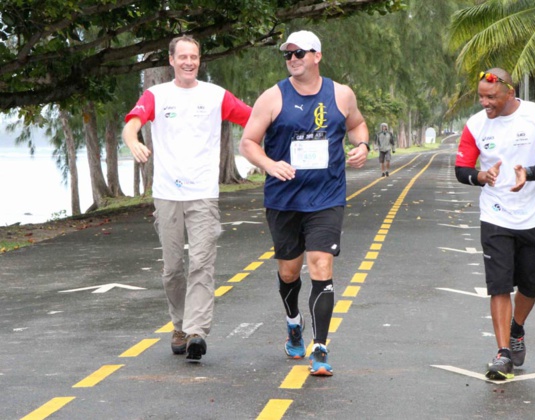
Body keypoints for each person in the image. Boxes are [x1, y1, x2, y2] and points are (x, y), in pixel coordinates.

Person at [239, 30, 369, 376]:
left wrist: (363, 146)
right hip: (284, 199)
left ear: (317, 56)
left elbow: (357, 125)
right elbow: (248, 142)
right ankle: (293, 323)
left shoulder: (341, 94)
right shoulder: (272, 97)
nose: (293, 59)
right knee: (289, 271)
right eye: (288, 54)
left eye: (300, 53)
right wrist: (269, 164)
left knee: (321, 266)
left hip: (326, 197)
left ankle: (321, 348)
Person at [122, 35, 252, 362]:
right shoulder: (156, 94)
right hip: (167, 194)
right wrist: (133, 140)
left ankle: (196, 332)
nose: (189, 62)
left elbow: (253, 117)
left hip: (203, 193)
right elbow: (132, 124)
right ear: (171, 60)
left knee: (202, 263)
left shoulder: (215, 94)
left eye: (194, 56)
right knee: (172, 269)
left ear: (199, 59)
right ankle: (179, 325)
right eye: (183, 57)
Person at [454, 68, 535, 380]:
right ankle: (503, 352)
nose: (485, 103)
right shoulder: (476, 125)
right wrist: (480, 176)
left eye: (491, 97)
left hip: (532, 218)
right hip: (495, 216)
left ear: (510, 93)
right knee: (499, 284)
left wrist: (527, 173)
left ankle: (517, 328)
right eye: (481, 97)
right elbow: (461, 168)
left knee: (531, 284)